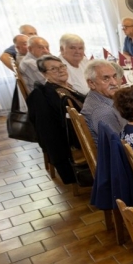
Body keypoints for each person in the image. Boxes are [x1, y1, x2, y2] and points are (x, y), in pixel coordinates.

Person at [27, 56, 86, 185]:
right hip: (76, 140)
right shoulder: (51, 94)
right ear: (44, 74)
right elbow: (49, 131)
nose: (60, 70)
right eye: (53, 69)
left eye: (62, 66)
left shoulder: (65, 87)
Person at [81, 60, 125, 139]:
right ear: (91, 83)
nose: (114, 83)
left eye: (114, 76)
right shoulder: (102, 111)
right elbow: (120, 142)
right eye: (106, 79)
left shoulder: (94, 96)